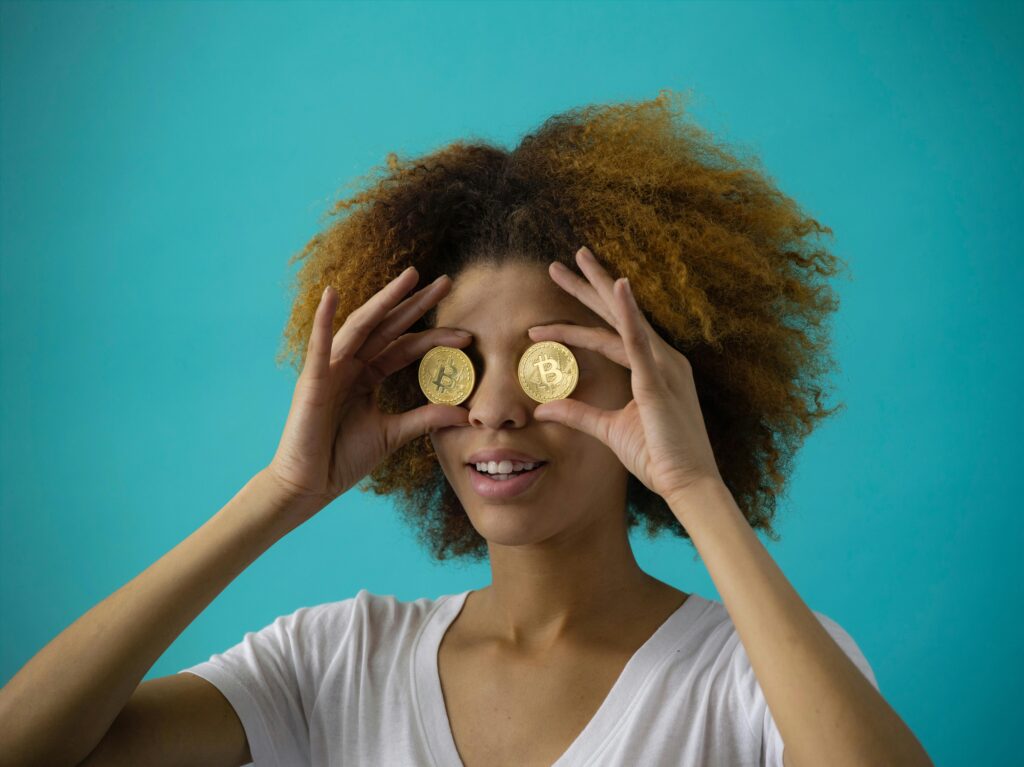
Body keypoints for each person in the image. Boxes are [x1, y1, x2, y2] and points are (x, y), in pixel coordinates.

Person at [0, 91, 933, 767]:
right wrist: (278, 496)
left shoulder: (761, 673)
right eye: (458, 363)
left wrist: (699, 490)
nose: (493, 407)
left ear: (654, 383)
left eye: (546, 361)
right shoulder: (333, 662)